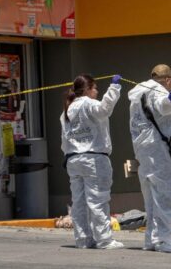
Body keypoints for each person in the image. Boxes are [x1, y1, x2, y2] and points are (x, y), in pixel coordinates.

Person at [60, 74, 124, 250]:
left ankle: (83, 239)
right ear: (87, 89)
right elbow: (105, 109)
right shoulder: (89, 104)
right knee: (98, 199)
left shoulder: (68, 109)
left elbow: (64, 139)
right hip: (93, 158)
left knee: (79, 202)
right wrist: (114, 87)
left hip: (74, 159)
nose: (97, 91)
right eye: (95, 88)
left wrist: (69, 154)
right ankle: (104, 239)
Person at [128, 64, 171, 253]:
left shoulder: (138, 95)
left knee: (152, 198)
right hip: (159, 151)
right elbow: (164, 106)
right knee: (168, 194)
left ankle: (152, 239)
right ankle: (165, 240)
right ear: (168, 80)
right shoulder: (159, 92)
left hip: (144, 151)